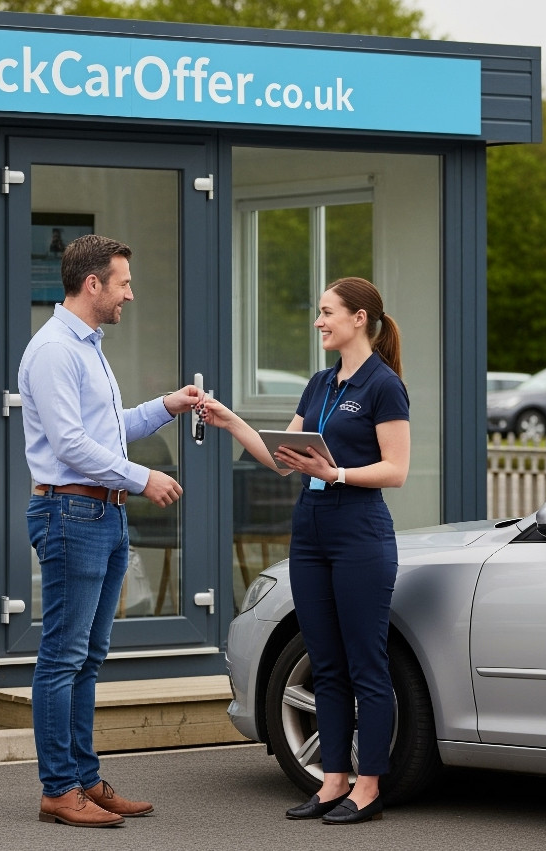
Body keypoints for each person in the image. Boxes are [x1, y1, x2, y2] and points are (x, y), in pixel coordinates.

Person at [202, 277, 409, 826]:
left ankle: (368, 788)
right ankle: (332, 782)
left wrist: (334, 472)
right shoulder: (320, 383)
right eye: (318, 313)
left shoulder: (384, 385)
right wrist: (229, 421)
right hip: (311, 532)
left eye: (327, 312)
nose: (319, 321)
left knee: (367, 663)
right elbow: (280, 455)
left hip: (359, 532)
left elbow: (397, 469)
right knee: (327, 662)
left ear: (359, 318)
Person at [19, 234, 202, 828]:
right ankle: (58, 789)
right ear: (91, 284)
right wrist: (144, 476)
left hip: (102, 513)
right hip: (72, 514)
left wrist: (167, 406)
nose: (130, 292)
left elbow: (107, 429)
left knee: (89, 656)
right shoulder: (54, 350)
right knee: (63, 656)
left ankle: (83, 778)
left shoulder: (87, 346)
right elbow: (71, 445)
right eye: (122, 282)